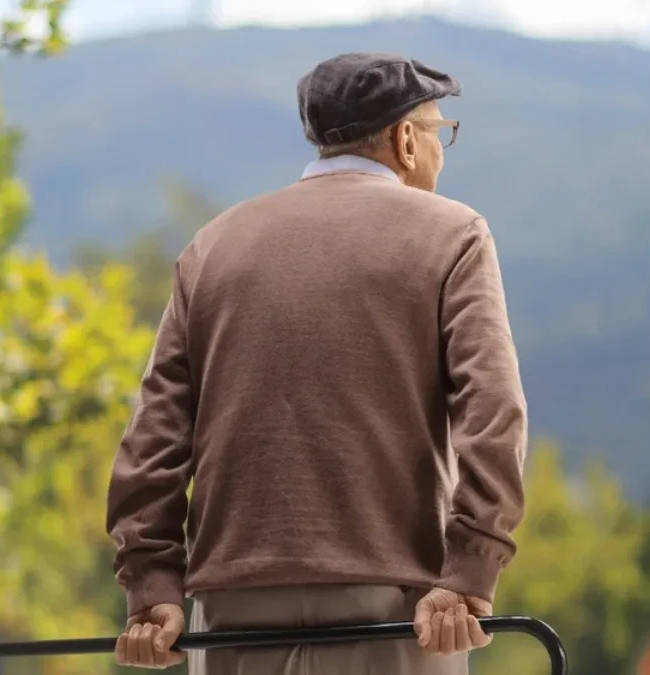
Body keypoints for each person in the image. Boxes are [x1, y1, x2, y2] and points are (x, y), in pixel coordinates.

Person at [105, 51, 528, 674]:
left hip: (230, 612)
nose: (442, 152)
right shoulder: (453, 233)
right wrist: (470, 569)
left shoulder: (213, 245)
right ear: (406, 140)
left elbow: (154, 438)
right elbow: (492, 413)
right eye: (442, 134)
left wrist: (152, 585)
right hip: (400, 609)